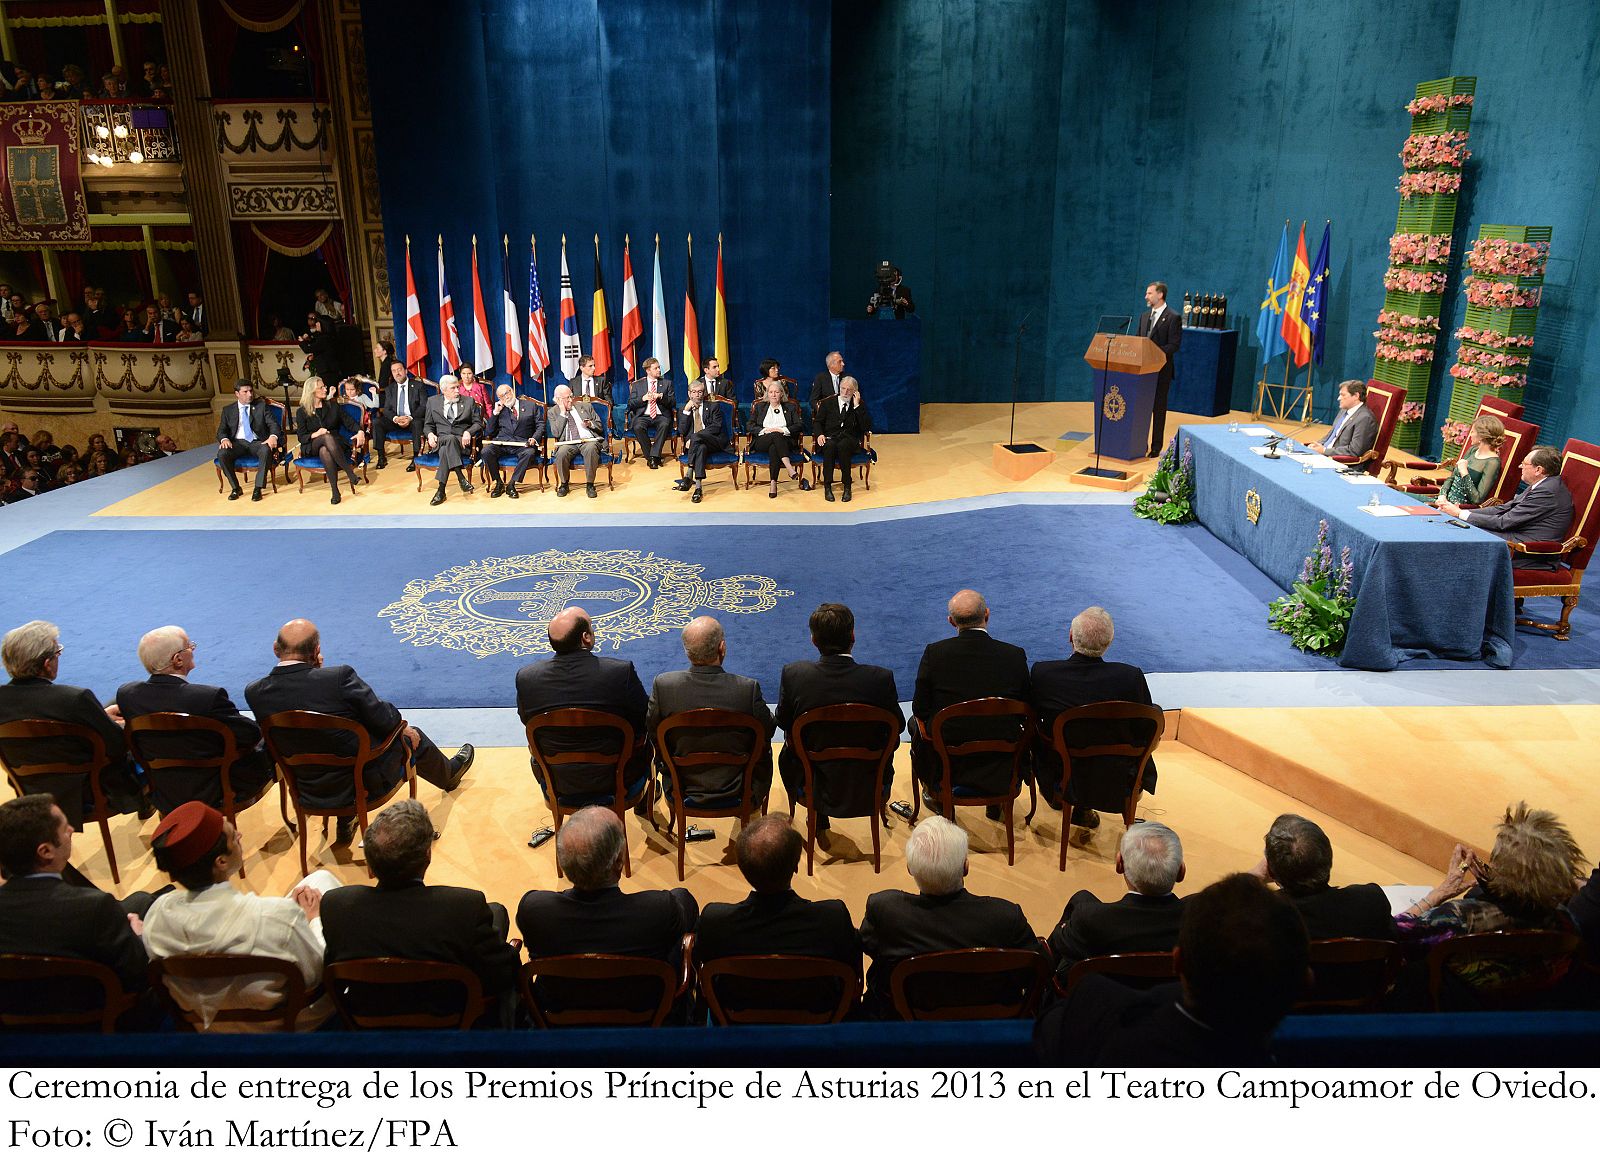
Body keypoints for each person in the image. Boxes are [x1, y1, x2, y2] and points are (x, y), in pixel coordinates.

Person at [1035, 873, 1311, 1067]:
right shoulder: (1324, 1061)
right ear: (1305, 983)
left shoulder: (1094, 1003)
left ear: (1177, 962)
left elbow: (1043, 1040)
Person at [244, 619, 473, 847]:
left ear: (276, 649)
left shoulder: (255, 693)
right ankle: (449, 774)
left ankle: (346, 819)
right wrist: (403, 727)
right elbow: (386, 718)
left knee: (336, 745)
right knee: (411, 736)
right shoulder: (338, 678)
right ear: (317, 651)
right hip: (364, 784)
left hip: (308, 788)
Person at [142, 801, 340, 1032]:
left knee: (319, 880)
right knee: (323, 885)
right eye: (233, 836)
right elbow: (315, 975)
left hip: (206, 1028)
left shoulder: (157, 918)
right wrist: (313, 918)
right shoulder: (277, 916)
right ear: (221, 862)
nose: (240, 834)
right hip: (283, 1023)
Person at [320, 799, 518, 1022]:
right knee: (497, 913)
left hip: (372, 1024)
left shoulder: (336, 906)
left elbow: (332, 973)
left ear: (370, 863)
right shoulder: (464, 907)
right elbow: (503, 973)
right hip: (454, 1026)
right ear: (427, 856)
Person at [515, 807, 698, 1019]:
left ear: (564, 863)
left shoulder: (534, 909)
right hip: (645, 1013)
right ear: (619, 861)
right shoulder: (660, 908)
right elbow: (687, 911)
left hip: (558, 1014)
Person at [860, 815, 1036, 1017]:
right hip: (988, 1021)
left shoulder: (884, 910)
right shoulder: (1006, 916)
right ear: (966, 867)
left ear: (910, 869)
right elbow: (1037, 967)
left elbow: (868, 946)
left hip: (906, 1020)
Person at [692, 813, 861, 1017]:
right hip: (818, 1019)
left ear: (744, 870)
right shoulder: (833, 917)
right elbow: (852, 974)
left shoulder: (714, 921)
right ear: (796, 865)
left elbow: (701, 970)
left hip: (736, 1018)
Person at [0, 794, 153, 1004]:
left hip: (16, 1019)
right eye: (64, 828)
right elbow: (138, 975)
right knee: (145, 905)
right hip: (98, 1015)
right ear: (45, 851)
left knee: (141, 899)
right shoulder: (96, 907)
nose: (72, 829)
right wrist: (138, 937)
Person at [116, 625, 275, 817]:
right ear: (178, 659)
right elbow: (250, 735)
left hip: (165, 792)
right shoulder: (207, 697)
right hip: (219, 789)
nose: (192, 649)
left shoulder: (127, 695)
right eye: (189, 646)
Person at [775, 602, 903, 837]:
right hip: (869, 780)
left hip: (812, 779)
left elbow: (783, 722)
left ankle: (817, 810)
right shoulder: (880, 679)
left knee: (790, 746)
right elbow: (899, 728)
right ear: (853, 635)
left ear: (814, 640)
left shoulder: (795, 675)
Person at [1029, 605, 1160, 832]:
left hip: (1062, 771)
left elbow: (1033, 721)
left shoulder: (1044, 674)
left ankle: (1067, 798)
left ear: (1070, 637)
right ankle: (1083, 808)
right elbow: (1146, 729)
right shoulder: (1130, 678)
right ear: (1109, 642)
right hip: (1118, 774)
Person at [0, 620, 144, 822]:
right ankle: (150, 802)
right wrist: (118, 726)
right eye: (57, 652)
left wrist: (100, 717)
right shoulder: (75, 699)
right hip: (88, 791)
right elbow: (117, 746)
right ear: (47, 664)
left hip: (30, 790)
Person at [514, 606, 650, 809]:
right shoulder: (620, 673)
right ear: (586, 637)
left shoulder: (527, 679)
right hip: (618, 780)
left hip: (559, 783)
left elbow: (528, 722)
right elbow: (644, 720)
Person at [909, 589, 1030, 817]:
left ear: (951, 621)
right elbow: (1026, 708)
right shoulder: (1014, 655)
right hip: (1001, 765)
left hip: (950, 765)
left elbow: (920, 709)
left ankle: (937, 792)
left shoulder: (935, 654)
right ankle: (995, 802)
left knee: (914, 724)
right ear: (987, 614)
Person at [646, 616, 775, 809]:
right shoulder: (747, 690)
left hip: (681, 787)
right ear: (722, 648)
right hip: (740, 787)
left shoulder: (664, 686)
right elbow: (769, 730)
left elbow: (652, 731)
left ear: (687, 652)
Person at [1047, 822, 1186, 974]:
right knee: (1081, 898)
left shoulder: (1089, 919)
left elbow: (1061, 943)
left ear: (1119, 864)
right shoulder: (1201, 919)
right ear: (1181, 872)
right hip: (1173, 994)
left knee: (1080, 901)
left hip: (1101, 994)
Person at [1252, 813, 1395, 940]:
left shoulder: (1265, 920)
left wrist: (1252, 878)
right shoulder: (1372, 901)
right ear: (1329, 857)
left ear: (1271, 872)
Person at [1440, 445, 1573, 566]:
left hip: (1528, 551)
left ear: (1538, 470)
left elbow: (1504, 522)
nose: (1520, 467)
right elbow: (1504, 508)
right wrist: (1459, 511)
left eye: (1524, 464)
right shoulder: (1544, 483)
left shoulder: (1547, 491)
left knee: (1465, 533)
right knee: (1460, 527)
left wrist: (1460, 514)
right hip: (1516, 536)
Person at [295, 376, 361, 505]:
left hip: (335, 443)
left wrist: (360, 431)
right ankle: (349, 472)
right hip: (311, 445)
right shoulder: (301, 412)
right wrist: (316, 434)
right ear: (312, 391)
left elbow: (349, 422)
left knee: (325, 450)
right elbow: (301, 437)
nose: (325, 389)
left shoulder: (332, 405)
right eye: (321, 387)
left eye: (324, 386)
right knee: (324, 437)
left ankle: (335, 491)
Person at [216, 379, 282, 501]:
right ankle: (236, 488)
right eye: (245, 392)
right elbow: (221, 430)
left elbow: (273, 425)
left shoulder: (261, 406)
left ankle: (258, 488)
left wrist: (273, 436)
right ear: (237, 394)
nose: (250, 394)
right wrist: (224, 439)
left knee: (265, 449)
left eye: (251, 391)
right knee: (222, 453)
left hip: (257, 442)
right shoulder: (228, 410)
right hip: (237, 443)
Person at [422, 373, 482, 505]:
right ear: (444, 390)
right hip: (440, 440)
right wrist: (430, 435)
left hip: (461, 444)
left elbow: (478, 423)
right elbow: (428, 425)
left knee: (445, 450)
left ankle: (441, 490)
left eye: (457, 387)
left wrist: (468, 432)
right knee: (448, 440)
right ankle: (461, 478)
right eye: (453, 388)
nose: (457, 390)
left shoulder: (468, 401)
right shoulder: (432, 401)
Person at [1138, 281, 1182, 458]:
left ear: (1160, 295)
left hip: (1161, 372)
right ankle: (1139, 444)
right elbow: (1138, 340)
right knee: (1140, 409)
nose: (1146, 297)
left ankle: (1156, 447)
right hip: (1142, 372)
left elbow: (1174, 345)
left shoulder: (1173, 317)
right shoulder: (1143, 317)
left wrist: (1153, 353)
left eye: (1149, 293)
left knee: (1158, 409)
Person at [747, 380, 809, 498]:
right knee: (775, 436)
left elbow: (799, 424)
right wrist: (765, 430)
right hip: (762, 440)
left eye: (776, 392)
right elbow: (749, 425)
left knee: (774, 447)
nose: (774, 394)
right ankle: (789, 468)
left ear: (782, 393)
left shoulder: (790, 407)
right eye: (771, 392)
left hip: (785, 441)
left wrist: (784, 430)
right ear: (767, 394)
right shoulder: (760, 407)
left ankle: (773, 483)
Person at [480, 382, 544, 498]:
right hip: (503, 443)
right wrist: (495, 413)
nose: (505, 397)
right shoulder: (500, 410)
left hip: (523, 444)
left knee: (529, 453)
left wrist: (534, 438)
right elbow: (489, 432)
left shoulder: (531, 406)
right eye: (501, 396)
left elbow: (540, 425)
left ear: (512, 392)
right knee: (486, 452)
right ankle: (499, 483)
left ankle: (511, 484)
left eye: (506, 393)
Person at [814, 374, 872, 503]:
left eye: (849, 390)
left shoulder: (858, 405)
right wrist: (820, 434)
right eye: (843, 388)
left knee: (843, 445)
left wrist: (856, 407)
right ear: (839, 388)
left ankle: (847, 486)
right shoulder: (827, 403)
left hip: (849, 440)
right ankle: (827, 486)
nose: (845, 392)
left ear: (855, 392)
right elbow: (817, 422)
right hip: (830, 437)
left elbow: (865, 426)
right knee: (829, 446)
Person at [545, 382, 606, 499]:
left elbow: (599, 425)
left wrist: (590, 424)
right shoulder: (553, 412)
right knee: (561, 453)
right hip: (568, 442)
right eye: (566, 398)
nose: (570, 400)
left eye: (571, 396)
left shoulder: (585, 406)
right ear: (558, 400)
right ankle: (564, 484)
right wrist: (563, 413)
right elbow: (556, 433)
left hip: (588, 440)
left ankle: (590, 484)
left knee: (591, 448)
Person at [1431, 414, 1506, 506]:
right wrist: (1442, 495)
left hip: (1457, 508)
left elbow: (1477, 499)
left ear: (1481, 436)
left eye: (1473, 431)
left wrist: (1464, 473)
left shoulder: (1492, 463)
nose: (1470, 434)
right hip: (1443, 501)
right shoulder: (1473, 450)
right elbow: (1451, 478)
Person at [674, 377, 728, 503]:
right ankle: (698, 488)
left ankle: (689, 473)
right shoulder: (684, 409)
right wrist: (686, 411)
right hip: (699, 446)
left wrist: (694, 437)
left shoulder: (713, 406)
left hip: (714, 441)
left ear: (703, 393)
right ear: (689, 393)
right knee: (701, 448)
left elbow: (716, 427)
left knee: (697, 439)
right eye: (694, 392)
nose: (697, 394)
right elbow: (681, 431)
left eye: (700, 392)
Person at [1306, 379, 1377, 459]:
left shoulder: (1365, 418)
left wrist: (1324, 451)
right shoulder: (1343, 410)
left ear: (1356, 396)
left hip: (1340, 462)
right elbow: (1331, 435)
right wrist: (1318, 445)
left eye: (1343, 395)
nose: (1339, 398)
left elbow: (1355, 450)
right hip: (1325, 455)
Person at [377, 358, 426, 468]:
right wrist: (395, 418)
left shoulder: (418, 386)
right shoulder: (390, 388)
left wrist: (409, 417)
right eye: (394, 371)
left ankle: (416, 457)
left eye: (399, 370)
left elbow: (424, 406)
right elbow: (387, 409)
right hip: (396, 421)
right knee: (377, 422)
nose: (397, 373)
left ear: (405, 371)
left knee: (417, 423)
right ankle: (381, 457)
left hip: (413, 420)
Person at [626, 357, 675, 469]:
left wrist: (661, 397)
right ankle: (653, 457)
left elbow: (672, 402)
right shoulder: (637, 385)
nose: (659, 370)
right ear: (648, 370)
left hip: (660, 415)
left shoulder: (667, 383)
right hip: (643, 415)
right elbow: (630, 404)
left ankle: (652, 457)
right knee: (637, 426)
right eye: (656, 368)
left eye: (659, 367)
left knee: (665, 424)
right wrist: (643, 398)